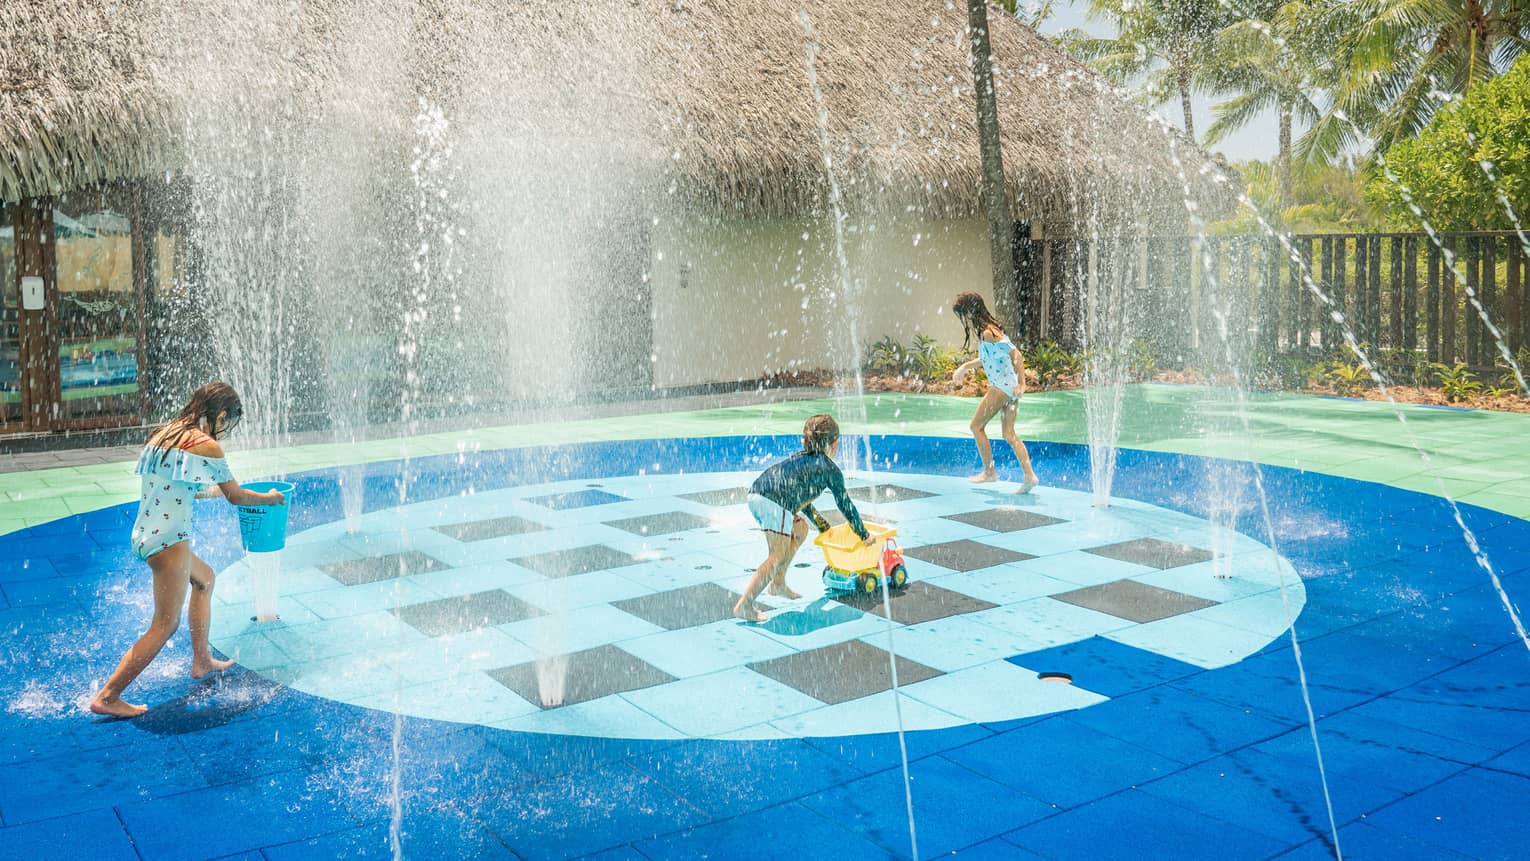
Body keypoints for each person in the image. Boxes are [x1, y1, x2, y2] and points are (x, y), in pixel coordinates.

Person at [89, 382, 285, 718]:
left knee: (205, 579)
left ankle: (201, 660)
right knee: (165, 624)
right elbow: (237, 496)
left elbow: (179, 489)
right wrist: (268, 498)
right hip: (169, 540)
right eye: (227, 421)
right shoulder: (206, 445)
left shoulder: (163, 433)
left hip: (146, 534)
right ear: (220, 413)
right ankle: (108, 696)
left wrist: (214, 493)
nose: (225, 429)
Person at [733, 415, 872, 622]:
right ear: (835, 443)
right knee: (775, 556)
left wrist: (822, 526)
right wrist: (864, 535)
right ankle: (744, 605)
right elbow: (845, 505)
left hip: (759, 494)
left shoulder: (801, 459)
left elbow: (801, 498)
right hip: (773, 502)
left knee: (800, 530)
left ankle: (778, 583)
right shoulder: (830, 470)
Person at [950, 291, 1041, 493]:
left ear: (971, 311)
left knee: (976, 426)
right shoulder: (990, 329)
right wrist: (964, 367)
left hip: (1002, 387)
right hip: (1009, 388)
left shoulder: (988, 333)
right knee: (1009, 434)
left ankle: (989, 473)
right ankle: (1029, 476)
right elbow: (986, 359)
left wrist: (1022, 382)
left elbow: (1016, 354)